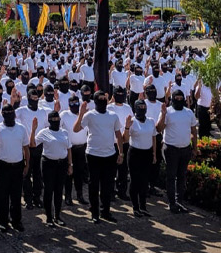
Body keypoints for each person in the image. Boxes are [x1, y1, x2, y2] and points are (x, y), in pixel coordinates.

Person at [73, 91, 124, 224]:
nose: (102, 101)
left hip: (109, 155)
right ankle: (94, 212)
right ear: (95, 101)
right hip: (93, 155)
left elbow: (118, 135)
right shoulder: (89, 115)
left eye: (104, 99)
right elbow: (76, 129)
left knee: (107, 186)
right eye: (99, 99)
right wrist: (81, 113)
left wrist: (121, 152)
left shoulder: (113, 116)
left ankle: (105, 212)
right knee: (93, 185)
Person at [0, 104, 30, 232]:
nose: (9, 115)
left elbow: (26, 148)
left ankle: (16, 221)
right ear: (3, 115)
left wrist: (27, 165)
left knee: (16, 196)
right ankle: (3, 221)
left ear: (14, 115)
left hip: (17, 166)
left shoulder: (21, 129)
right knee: (2, 196)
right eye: (6, 113)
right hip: (2, 167)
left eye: (11, 113)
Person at [157, 89, 199, 214]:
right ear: (172, 99)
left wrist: (195, 148)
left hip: (185, 149)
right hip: (171, 149)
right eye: (177, 98)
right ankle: (172, 203)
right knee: (171, 177)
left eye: (181, 98)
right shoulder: (168, 112)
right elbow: (159, 128)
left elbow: (194, 131)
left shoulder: (189, 112)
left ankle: (179, 202)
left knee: (181, 177)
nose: (179, 100)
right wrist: (163, 114)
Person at [31, 111, 72, 227]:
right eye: (53, 120)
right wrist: (33, 130)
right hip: (48, 164)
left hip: (62, 164)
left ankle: (57, 216)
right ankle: (49, 217)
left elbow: (69, 148)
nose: (56, 121)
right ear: (49, 121)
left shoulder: (64, 132)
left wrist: (70, 164)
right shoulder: (44, 132)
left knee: (59, 191)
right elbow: (33, 144)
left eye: (57, 119)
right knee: (49, 190)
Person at [123, 100, 156, 217]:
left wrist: (154, 154)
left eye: (144, 106)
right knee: (135, 180)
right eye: (140, 107)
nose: (142, 108)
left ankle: (143, 206)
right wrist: (127, 127)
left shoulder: (151, 121)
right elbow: (125, 139)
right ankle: (135, 207)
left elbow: (153, 138)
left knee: (144, 181)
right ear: (135, 108)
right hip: (134, 154)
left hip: (147, 154)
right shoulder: (132, 122)